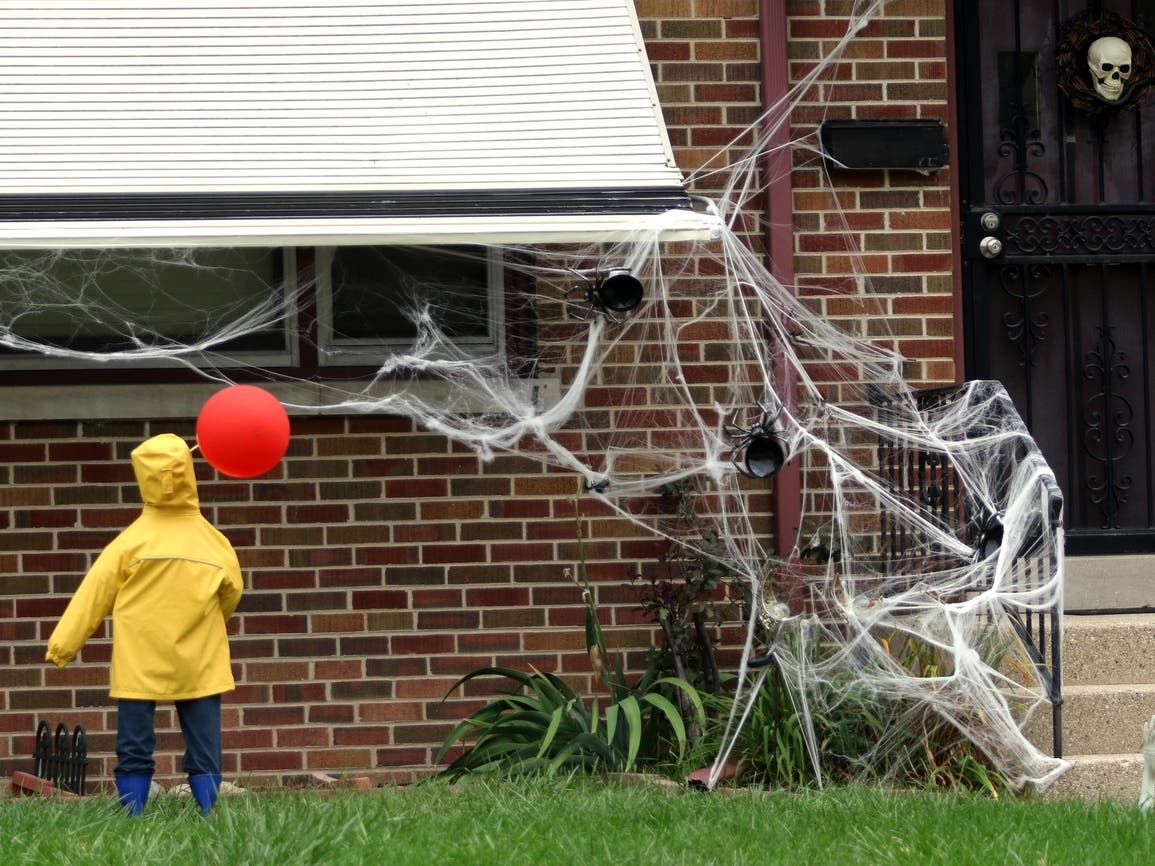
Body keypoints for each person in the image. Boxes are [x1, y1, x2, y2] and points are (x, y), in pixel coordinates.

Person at [45, 433, 243, 815]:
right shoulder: (214, 542)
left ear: (144, 478)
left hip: (139, 657)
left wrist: (62, 646)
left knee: (134, 741)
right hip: (200, 657)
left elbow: (93, 595)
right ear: (187, 474)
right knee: (204, 741)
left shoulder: (130, 543)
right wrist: (205, 622)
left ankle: (133, 810)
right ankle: (207, 809)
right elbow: (231, 594)